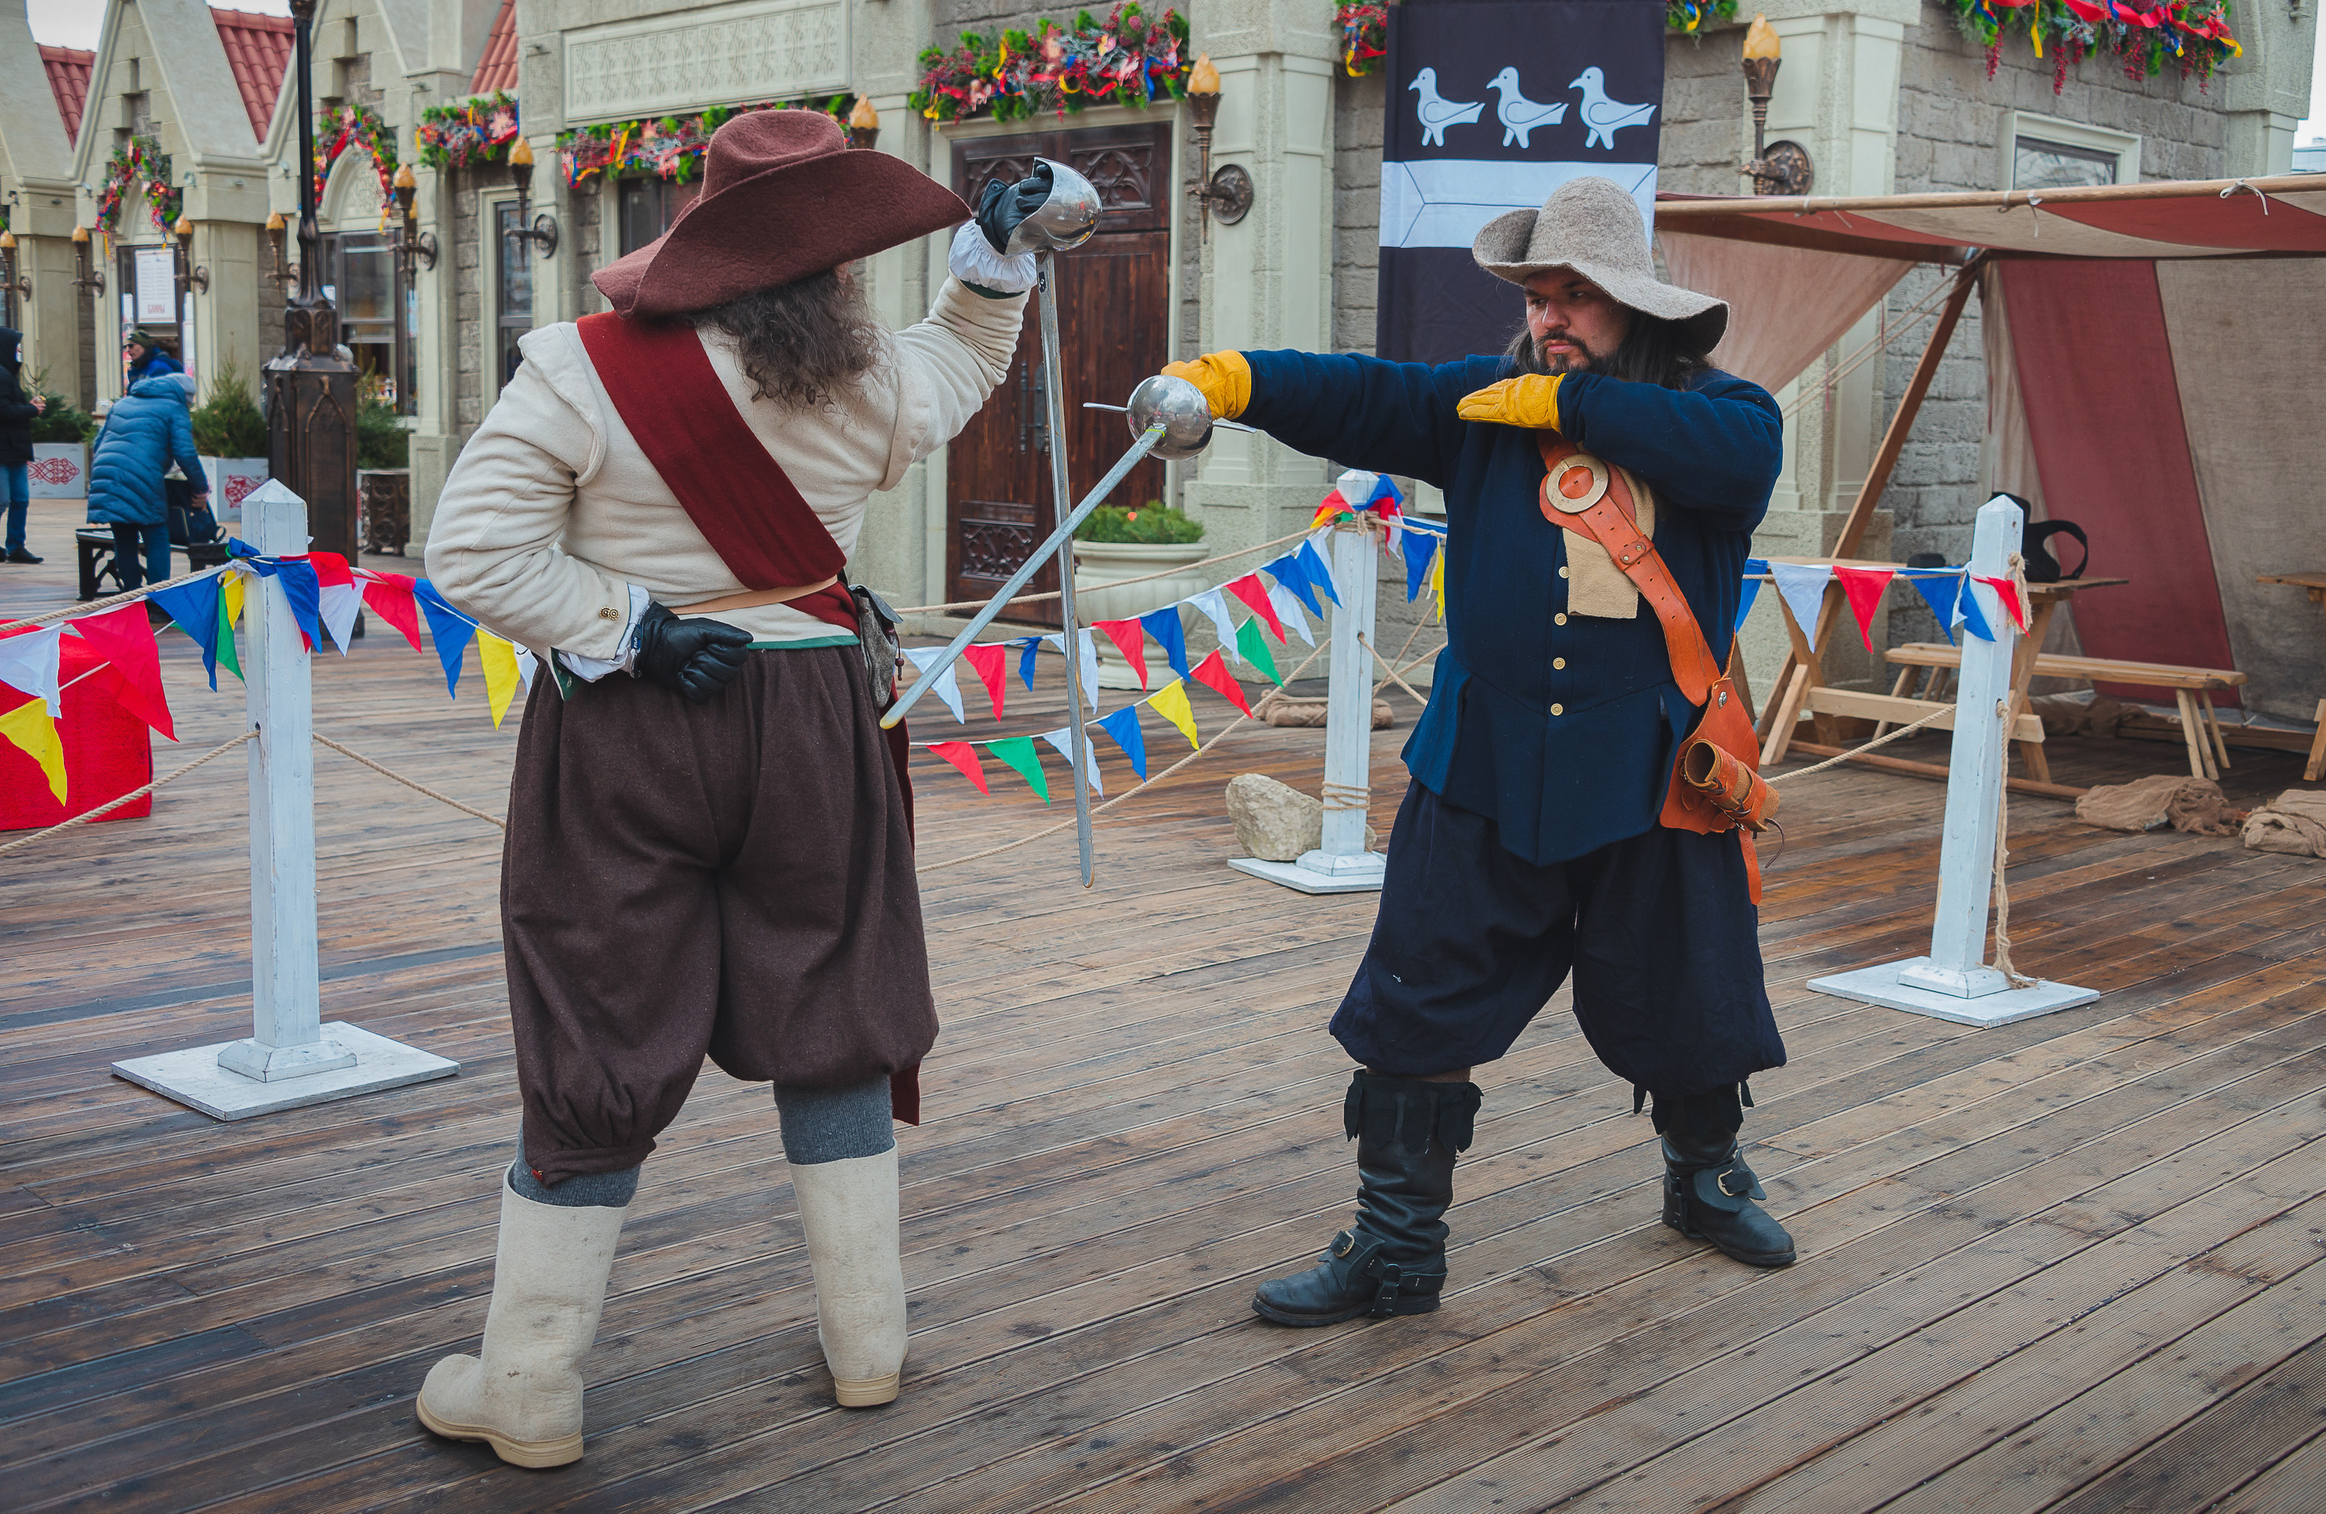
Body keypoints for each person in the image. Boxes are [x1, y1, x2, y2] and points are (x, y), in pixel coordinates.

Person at [418, 109, 1048, 1469]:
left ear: (701, 237)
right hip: (816, 717)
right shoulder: (869, 379)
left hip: (632, 723)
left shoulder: (576, 369)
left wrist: (630, 625)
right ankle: (867, 1344)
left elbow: (471, 555)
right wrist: (991, 271)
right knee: (835, 999)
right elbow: (960, 362)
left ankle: (529, 1383)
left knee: (597, 1012)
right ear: (834, 263)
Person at [1157, 176, 1793, 1329]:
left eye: (1575, 296)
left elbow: (1740, 460)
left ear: (1633, 305)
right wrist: (1231, 380)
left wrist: (1572, 402)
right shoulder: (1484, 402)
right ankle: (1396, 1251)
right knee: (1417, 997)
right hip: (1482, 758)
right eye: (1538, 296)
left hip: (1654, 765)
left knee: (1689, 991)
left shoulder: (1720, 410)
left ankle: (1705, 1180)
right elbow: (1361, 393)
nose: (1550, 316)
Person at [85, 331, 206, 590]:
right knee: (157, 534)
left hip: (106, 476)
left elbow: (98, 444)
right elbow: (186, 453)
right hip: (142, 478)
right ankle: (157, 595)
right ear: (184, 397)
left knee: (124, 538)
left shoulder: (123, 404)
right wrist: (200, 489)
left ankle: (131, 596)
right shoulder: (174, 408)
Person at [0, 328, 42, 564]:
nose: (19, 351)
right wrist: (31, 409)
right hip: (4, 450)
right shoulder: (2, 374)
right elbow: (3, 410)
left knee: (20, 499)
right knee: (3, 500)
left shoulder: (7, 374)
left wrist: (28, 407)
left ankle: (16, 546)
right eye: (16, 346)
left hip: (14, 449)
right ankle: (15, 545)